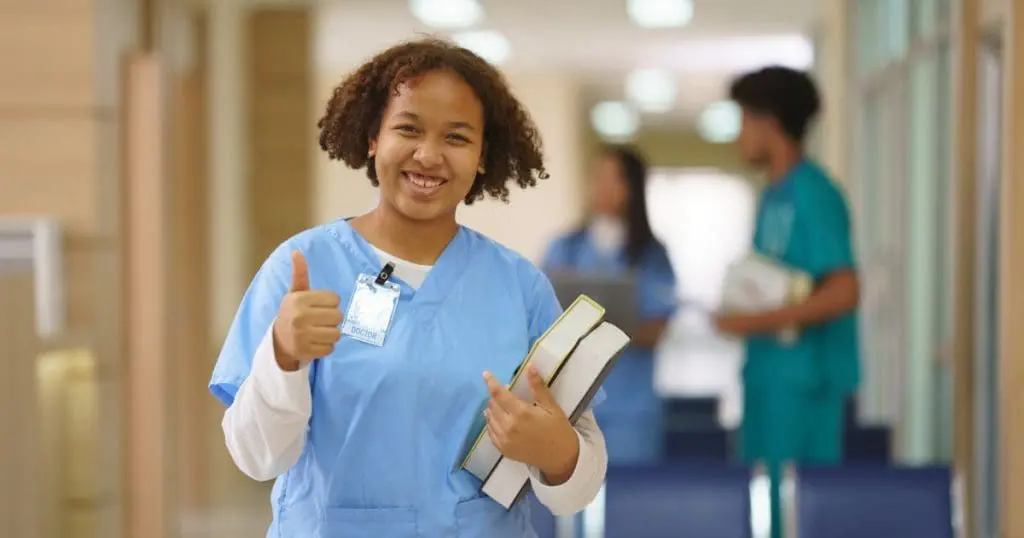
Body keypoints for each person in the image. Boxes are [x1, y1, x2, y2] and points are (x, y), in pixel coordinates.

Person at [208, 38, 608, 538]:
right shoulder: (303, 268)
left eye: (457, 138)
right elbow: (257, 457)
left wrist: (560, 454)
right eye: (408, 128)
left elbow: (580, 484)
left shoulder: (519, 288)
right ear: (373, 137)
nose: (428, 155)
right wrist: (283, 356)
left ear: (483, 155)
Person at [714, 66, 860, 538]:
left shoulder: (814, 194)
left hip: (803, 385)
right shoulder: (774, 196)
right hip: (769, 380)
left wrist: (756, 322)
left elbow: (844, 290)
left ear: (768, 122)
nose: (740, 136)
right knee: (765, 508)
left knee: (800, 515)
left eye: (743, 121)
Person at [541, 146, 678, 464]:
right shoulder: (564, 249)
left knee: (632, 504)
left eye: (612, 179)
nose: (601, 187)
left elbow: (655, 331)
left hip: (631, 410)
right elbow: (541, 319)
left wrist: (593, 328)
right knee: (570, 506)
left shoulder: (653, 257)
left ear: (632, 188)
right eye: (596, 177)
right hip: (570, 407)